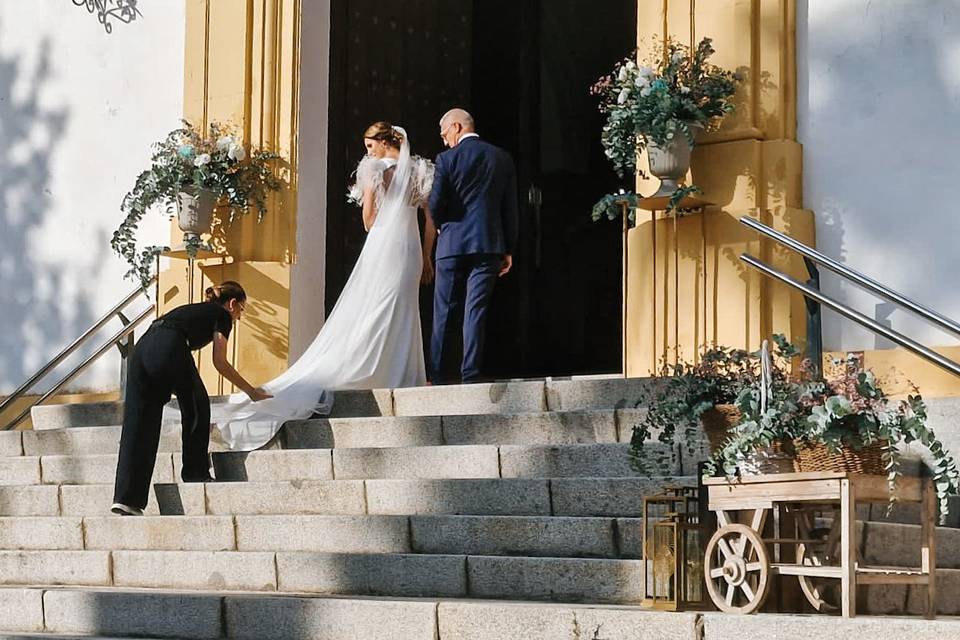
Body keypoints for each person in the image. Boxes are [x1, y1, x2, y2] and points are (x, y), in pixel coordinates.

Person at [205, 122, 436, 451]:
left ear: (385, 144)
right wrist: (427, 257)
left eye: (371, 145)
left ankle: (374, 366)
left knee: (374, 306)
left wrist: (380, 208)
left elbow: (369, 221)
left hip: (385, 247)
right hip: (411, 250)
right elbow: (431, 221)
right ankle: (400, 372)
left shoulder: (372, 169)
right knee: (402, 308)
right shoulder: (420, 169)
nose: (367, 151)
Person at [111, 281, 270, 516]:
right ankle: (196, 473)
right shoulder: (221, 315)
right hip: (168, 345)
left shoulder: (191, 309)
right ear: (232, 303)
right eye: (241, 310)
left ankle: (126, 498)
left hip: (143, 349)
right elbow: (220, 363)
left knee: (139, 422)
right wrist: (252, 392)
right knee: (196, 405)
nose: (238, 317)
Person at [428, 108, 518, 384]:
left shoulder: (447, 159)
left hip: (452, 244)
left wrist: (445, 225)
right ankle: (471, 372)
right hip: (488, 244)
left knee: (445, 309)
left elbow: (435, 204)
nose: (444, 141)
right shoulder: (501, 157)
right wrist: (508, 248)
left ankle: (439, 374)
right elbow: (510, 207)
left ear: (456, 127)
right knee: (475, 308)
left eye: (445, 134)